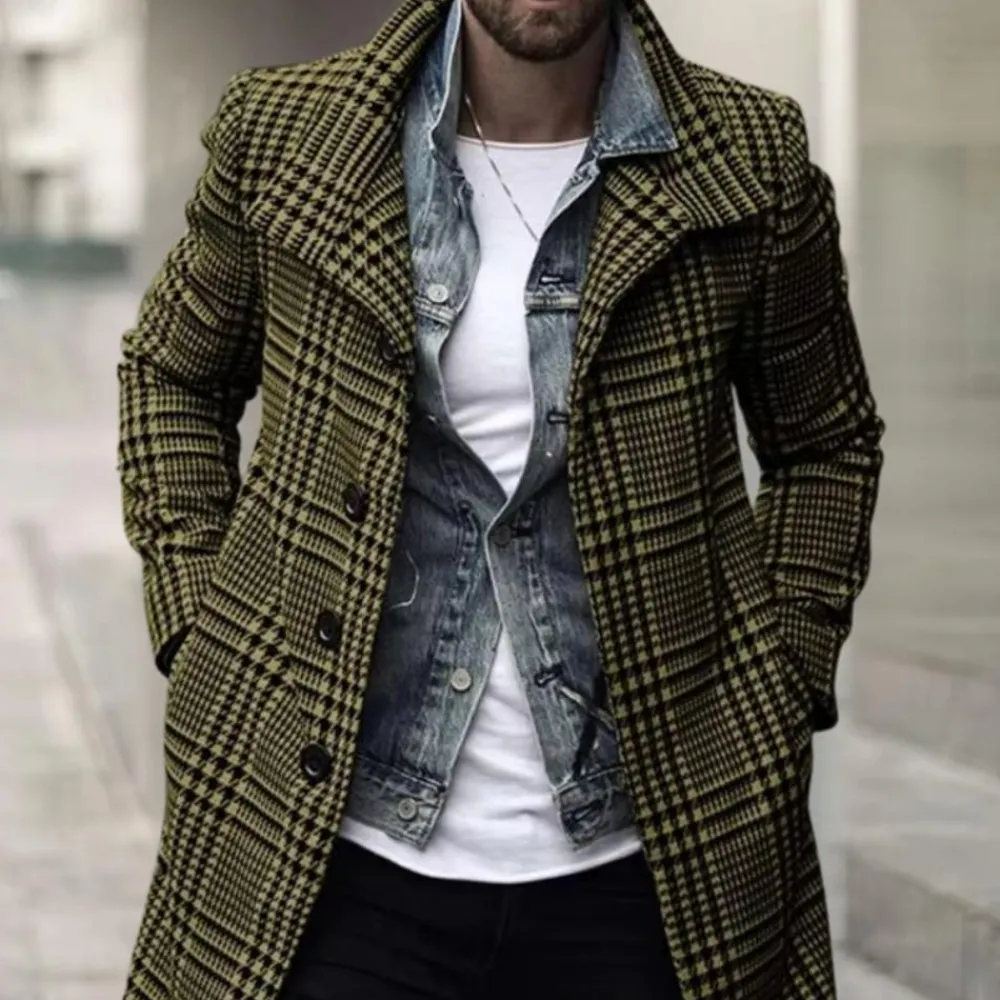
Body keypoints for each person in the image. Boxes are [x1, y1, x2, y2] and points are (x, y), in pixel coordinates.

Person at [117, 0, 885, 997]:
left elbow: (825, 440)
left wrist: (779, 674)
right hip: (329, 848)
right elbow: (172, 373)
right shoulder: (288, 133)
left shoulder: (745, 156)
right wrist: (201, 618)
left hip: (649, 857)